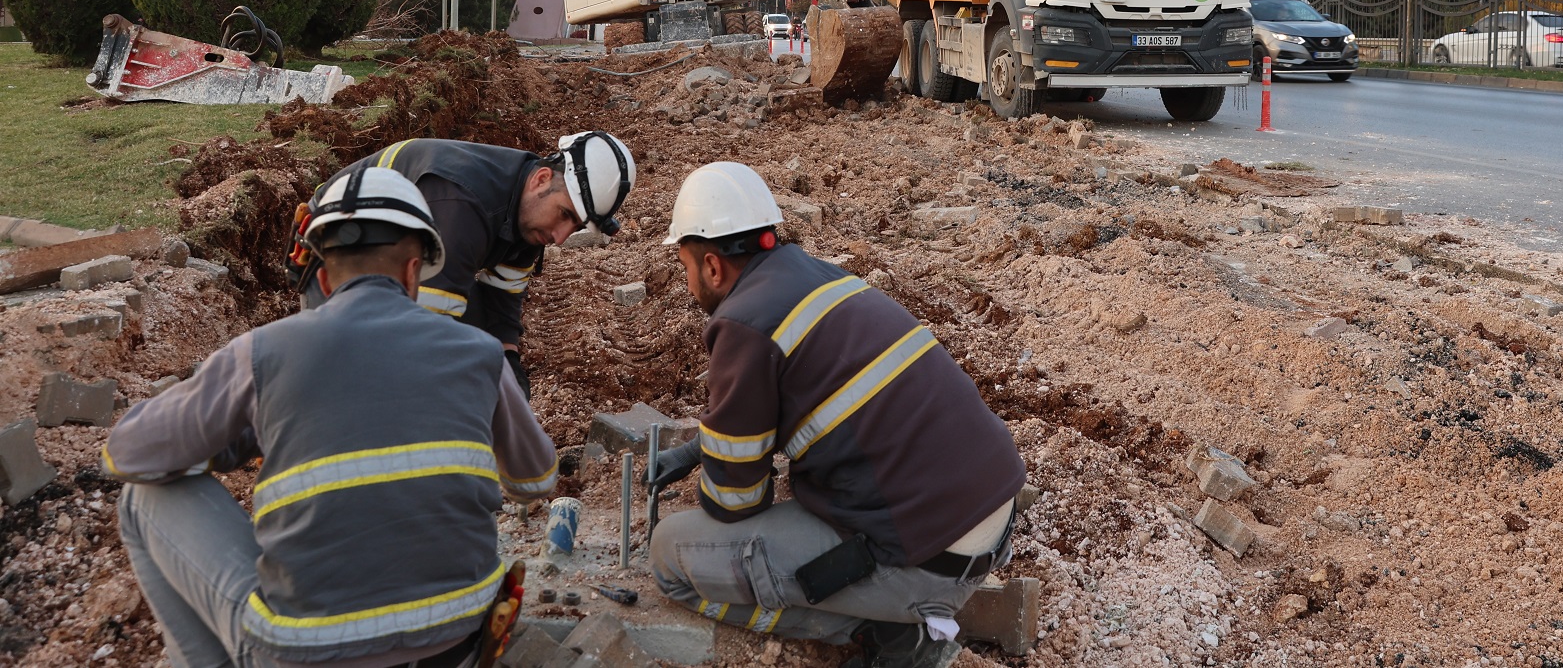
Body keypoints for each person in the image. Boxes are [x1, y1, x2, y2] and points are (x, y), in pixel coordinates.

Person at [109, 165, 558, 668]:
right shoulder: (479, 352)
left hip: (308, 655)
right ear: (414, 272)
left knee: (141, 497)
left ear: (322, 277)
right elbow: (538, 478)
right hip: (455, 646)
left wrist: (250, 430)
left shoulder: (262, 352)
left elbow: (127, 455)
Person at [646, 163, 1025, 668]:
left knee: (669, 553)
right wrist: (698, 447)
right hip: (990, 525)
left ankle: (882, 631)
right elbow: (820, 397)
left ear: (712, 266)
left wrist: (713, 472)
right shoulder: (817, 277)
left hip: (925, 563)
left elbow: (735, 504)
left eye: (686, 265)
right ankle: (897, 613)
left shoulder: (741, 323)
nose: (688, 279)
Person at [292, 133, 637, 393]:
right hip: (340, 246)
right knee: (352, 375)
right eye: (564, 215)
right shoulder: (463, 207)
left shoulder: (528, 221)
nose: (561, 236)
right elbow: (421, 337)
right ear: (542, 179)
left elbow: (499, 310)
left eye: (574, 227)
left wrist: (508, 367)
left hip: (407, 253)